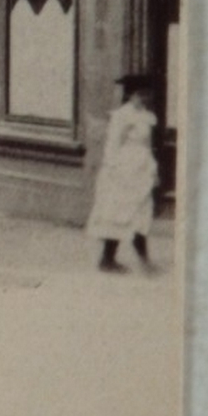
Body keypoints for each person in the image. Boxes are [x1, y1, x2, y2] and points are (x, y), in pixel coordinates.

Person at [86, 74, 161, 273]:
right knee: (119, 213)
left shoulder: (147, 116)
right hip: (123, 169)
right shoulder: (121, 116)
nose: (144, 98)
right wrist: (113, 170)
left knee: (140, 212)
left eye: (147, 94)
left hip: (141, 169)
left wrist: (153, 171)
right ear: (131, 94)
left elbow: (148, 146)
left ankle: (144, 260)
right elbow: (112, 146)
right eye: (140, 94)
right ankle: (107, 259)